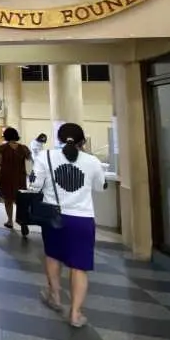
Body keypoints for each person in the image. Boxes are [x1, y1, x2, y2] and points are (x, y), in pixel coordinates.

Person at [31, 122, 105, 328]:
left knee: (53, 255)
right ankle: (75, 313)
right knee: (79, 266)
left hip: (53, 216)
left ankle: (55, 295)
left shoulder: (45, 156)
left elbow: (34, 184)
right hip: (82, 219)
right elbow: (101, 187)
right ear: (83, 141)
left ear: (58, 139)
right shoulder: (92, 161)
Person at [0, 127, 33, 233]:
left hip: (7, 178)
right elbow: (29, 161)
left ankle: (10, 221)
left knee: (8, 200)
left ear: (6, 136)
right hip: (20, 178)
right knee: (20, 201)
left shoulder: (2, 148)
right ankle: (23, 222)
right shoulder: (24, 148)